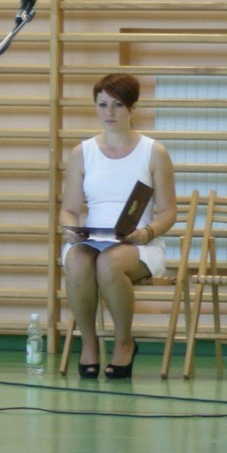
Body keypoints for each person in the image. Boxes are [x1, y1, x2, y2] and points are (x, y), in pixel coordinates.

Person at [59, 73, 177, 380]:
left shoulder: (154, 152)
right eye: (102, 105)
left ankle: (124, 342)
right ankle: (89, 343)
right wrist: (70, 228)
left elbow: (168, 212)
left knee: (109, 263)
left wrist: (147, 232)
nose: (109, 112)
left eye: (118, 105)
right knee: (77, 261)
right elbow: (69, 210)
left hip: (139, 242)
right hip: (92, 239)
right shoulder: (82, 152)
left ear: (132, 107)